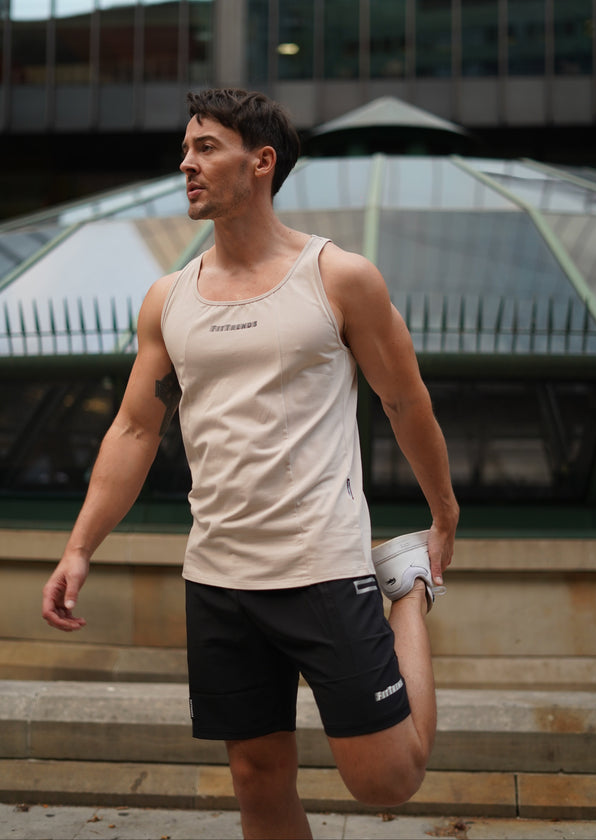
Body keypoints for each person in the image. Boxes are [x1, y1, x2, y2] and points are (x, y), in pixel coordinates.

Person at [42, 88, 459, 840]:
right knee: (256, 780)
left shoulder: (338, 277)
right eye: (186, 149)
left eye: (206, 148)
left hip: (323, 566)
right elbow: (135, 431)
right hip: (219, 576)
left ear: (262, 162)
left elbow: (405, 402)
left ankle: (408, 595)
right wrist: (79, 547)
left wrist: (444, 513)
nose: (186, 164)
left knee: (386, 779)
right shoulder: (167, 298)